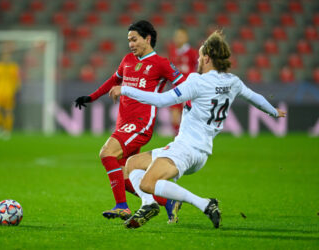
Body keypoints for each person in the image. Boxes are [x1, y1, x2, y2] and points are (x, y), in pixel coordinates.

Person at [109, 30, 287, 229]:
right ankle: (148, 203)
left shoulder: (197, 81)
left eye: (201, 56)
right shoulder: (232, 82)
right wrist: (273, 111)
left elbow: (161, 100)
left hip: (186, 150)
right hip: (199, 151)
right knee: (133, 163)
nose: (198, 60)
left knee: (147, 184)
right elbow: (255, 98)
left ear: (207, 58)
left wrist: (125, 89)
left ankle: (203, 203)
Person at [74, 20, 187, 223]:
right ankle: (169, 202)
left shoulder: (161, 63)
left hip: (140, 123)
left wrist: (190, 108)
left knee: (106, 153)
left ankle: (122, 207)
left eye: (134, 40)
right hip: (123, 123)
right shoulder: (127, 60)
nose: (131, 44)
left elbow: (184, 86)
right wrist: (91, 97)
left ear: (147, 38)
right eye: (129, 41)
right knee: (126, 177)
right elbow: (113, 80)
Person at [167, 28, 198, 135]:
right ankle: (177, 141)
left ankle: (187, 140)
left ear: (186, 37)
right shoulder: (173, 51)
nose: (178, 38)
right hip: (175, 88)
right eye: (177, 36)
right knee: (174, 117)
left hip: (188, 89)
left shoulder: (192, 53)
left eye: (181, 36)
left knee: (188, 118)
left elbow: (199, 68)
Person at [0, 52, 21, 140]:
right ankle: (0, 127)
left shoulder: (14, 67)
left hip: (9, 92)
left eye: (8, 56)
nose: (6, 58)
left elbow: (18, 79)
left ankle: (7, 130)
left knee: (8, 111)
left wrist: (18, 90)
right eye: (5, 56)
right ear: (2, 57)